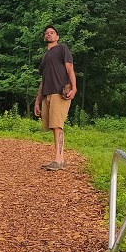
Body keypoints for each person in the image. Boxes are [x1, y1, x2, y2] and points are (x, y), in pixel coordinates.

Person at [33, 25, 76, 169]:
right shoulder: (45, 57)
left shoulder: (62, 48)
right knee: (53, 127)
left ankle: (58, 160)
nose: (49, 34)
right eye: (46, 33)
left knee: (57, 125)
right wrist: (37, 101)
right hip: (47, 94)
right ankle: (60, 159)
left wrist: (74, 88)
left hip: (59, 92)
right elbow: (43, 80)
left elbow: (70, 68)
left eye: (52, 33)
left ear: (57, 37)